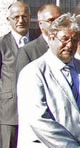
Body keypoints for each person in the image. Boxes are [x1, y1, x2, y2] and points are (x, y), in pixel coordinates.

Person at [17, 13, 80, 147]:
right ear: (51, 38)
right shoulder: (33, 72)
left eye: (75, 40)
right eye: (65, 39)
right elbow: (38, 120)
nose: (70, 45)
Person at [1, 2, 35, 147]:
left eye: (24, 16)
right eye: (16, 17)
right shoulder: (2, 44)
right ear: (8, 20)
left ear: (30, 17)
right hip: (9, 111)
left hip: (35, 110)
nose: (20, 20)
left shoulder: (39, 43)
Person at [16, 4, 62, 76]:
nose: (56, 24)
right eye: (51, 20)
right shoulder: (27, 52)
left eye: (59, 20)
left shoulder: (68, 47)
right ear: (40, 24)